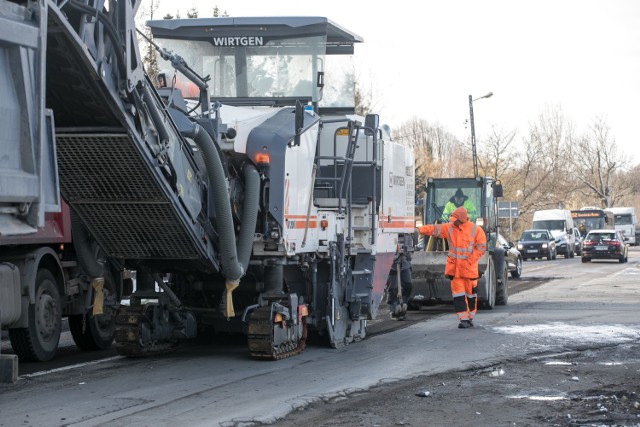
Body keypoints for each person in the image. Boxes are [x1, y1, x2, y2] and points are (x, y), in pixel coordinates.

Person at [417, 207, 487, 328]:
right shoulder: (449, 227)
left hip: (469, 270)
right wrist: (418, 230)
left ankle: (470, 316)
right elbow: (433, 229)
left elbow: (481, 247)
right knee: (458, 295)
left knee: (471, 295)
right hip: (455, 271)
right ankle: (463, 319)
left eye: (456, 219)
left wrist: (470, 259)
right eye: (452, 219)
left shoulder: (476, 230)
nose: (453, 221)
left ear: (462, 219)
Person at [386, 251, 412, 320]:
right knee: (393, 288)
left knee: (408, 285)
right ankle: (394, 311)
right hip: (391, 264)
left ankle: (403, 306)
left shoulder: (408, 239)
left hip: (405, 263)